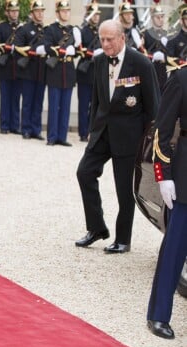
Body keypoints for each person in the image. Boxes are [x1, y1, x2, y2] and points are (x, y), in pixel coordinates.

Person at [75, 19, 160, 254]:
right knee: (84, 172)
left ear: (122, 38)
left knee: (124, 190)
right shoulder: (100, 60)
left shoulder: (141, 63)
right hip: (102, 132)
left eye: (109, 39)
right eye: (101, 39)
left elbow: (153, 107)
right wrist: (92, 131)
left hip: (129, 137)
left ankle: (123, 239)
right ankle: (96, 228)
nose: (105, 43)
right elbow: (97, 99)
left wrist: (149, 142)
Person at [146, 67, 187, 340]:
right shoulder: (181, 78)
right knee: (174, 251)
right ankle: (158, 315)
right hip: (185, 176)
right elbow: (162, 127)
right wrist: (164, 175)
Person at [41, 0, 79, 146]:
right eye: (63, 11)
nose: (66, 13)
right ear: (57, 13)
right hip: (55, 71)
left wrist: (75, 50)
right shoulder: (51, 29)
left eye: (68, 11)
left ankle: (62, 137)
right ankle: (52, 136)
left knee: (65, 106)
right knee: (54, 106)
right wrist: (62, 50)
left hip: (68, 70)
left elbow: (78, 50)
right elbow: (47, 47)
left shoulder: (72, 30)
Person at [13, 0, 46, 141]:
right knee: (27, 102)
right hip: (28, 71)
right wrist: (32, 52)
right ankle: (25, 129)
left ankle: (36, 129)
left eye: (42, 11)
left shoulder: (46, 30)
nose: (40, 14)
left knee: (38, 102)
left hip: (41, 70)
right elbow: (17, 47)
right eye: (37, 11)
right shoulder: (24, 29)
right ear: (32, 13)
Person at [0, 0, 22, 135]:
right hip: (4, 68)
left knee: (16, 99)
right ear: (7, 12)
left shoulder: (22, 28)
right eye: (12, 11)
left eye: (16, 11)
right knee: (5, 98)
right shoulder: (0, 27)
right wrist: (8, 47)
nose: (15, 13)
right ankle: (4, 126)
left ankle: (15, 126)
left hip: (18, 68)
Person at [76, 2, 102, 142]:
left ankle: (92, 131)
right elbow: (80, 50)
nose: (96, 17)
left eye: (98, 15)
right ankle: (83, 132)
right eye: (94, 15)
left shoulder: (100, 31)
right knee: (83, 104)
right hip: (85, 72)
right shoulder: (83, 31)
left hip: (97, 73)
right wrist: (91, 53)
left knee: (95, 106)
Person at [143, 4, 168, 92]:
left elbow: (172, 55)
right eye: (158, 17)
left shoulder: (167, 34)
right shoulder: (146, 34)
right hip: (150, 69)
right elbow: (142, 53)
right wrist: (152, 56)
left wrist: (165, 56)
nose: (161, 20)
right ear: (152, 18)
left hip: (163, 71)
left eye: (162, 17)